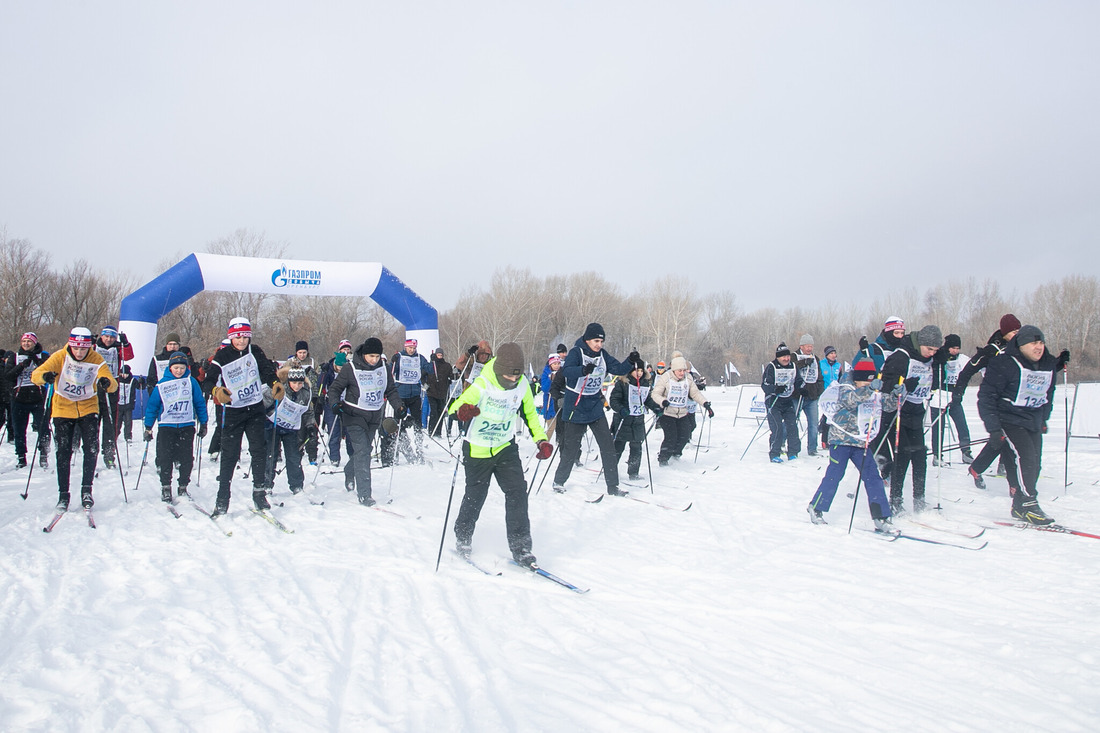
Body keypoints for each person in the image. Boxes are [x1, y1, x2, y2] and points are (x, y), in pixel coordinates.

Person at [448, 343, 552, 567]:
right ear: (498, 370)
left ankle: (522, 547)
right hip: (478, 449)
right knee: (476, 495)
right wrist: (463, 411)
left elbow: (530, 415)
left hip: (505, 447)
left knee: (517, 492)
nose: (512, 381)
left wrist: (541, 439)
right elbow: (454, 407)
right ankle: (463, 536)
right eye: (508, 376)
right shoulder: (483, 383)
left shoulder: (522, 384)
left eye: (516, 376)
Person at [978, 325, 1064, 525]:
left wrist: (1044, 418)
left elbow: (1048, 394)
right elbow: (986, 396)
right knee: (1026, 458)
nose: (1039, 347)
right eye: (1033, 343)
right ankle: (1029, 503)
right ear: (1021, 345)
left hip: (1032, 419)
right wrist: (993, 428)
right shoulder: (1004, 363)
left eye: (1041, 342)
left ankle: (1019, 506)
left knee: (1036, 462)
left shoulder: (1047, 364)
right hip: (1008, 418)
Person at [201, 318, 281, 515]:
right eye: (237, 337)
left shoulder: (255, 351)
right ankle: (222, 498)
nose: (241, 341)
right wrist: (215, 390)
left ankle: (259, 493)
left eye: (245, 337)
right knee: (229, 455)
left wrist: (275, 383)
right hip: (233, 411)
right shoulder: (223, 355)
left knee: (259, 450)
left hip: (254, 408)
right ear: (231, 337)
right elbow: (207, 380)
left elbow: (267, 371)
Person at [32, 327, 118, 510]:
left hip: (88, 408)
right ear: (71, 345)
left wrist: (107, 383)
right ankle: (63, 495)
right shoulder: (59, 356)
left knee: (91, 449)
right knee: (63, 452)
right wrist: (44, 377)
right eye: (76, 348)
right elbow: (35, 375)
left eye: (83, 349)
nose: (79, 352)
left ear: (89, 347)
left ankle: (87, 490)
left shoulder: (96, 358)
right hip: (63, 409)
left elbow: (112, 382)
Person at [807, 358, 897, 531]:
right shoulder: (845, 388)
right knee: (835, 475)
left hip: (860, 443)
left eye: (871, 380)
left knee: (873, 477)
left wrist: (897, 394)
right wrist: (869, 389)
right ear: (857, 378)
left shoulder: (872, 390)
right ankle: (816, 507)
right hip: (840, 440)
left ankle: (881, 516)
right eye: (865, 380)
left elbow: (889, 405)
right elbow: (851, 401)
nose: (868, 383)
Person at [551, 323, 637, 496]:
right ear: (587, 339)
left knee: (608, 446)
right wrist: (582, 370)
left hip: (594, 407)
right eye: (596, 341)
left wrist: (631, 361)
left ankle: (613, 486)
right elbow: (567, 371)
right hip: (576, 406)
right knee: (571, 449)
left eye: (601, 341)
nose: (599, 344)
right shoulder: (576, 352)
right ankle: (559, 481)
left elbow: (618, 369)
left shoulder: (602, 355)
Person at [327, 337, 402, 506]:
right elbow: (335, 388)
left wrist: (399, 407)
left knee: (364, 449)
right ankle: (365, 494)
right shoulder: (350, 368)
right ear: (364, 354)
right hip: (353, 415)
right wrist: (334, 403)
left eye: (377, 356)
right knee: (363, 452)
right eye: (371, 356)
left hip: (374, 415)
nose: (374, 360)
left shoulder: (384, 368)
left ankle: (349, 470)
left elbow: (390, 390)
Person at [880, 325, 941, 513]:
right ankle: (895, 500)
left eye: (935, 351)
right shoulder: (901, 356)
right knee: (903, 454)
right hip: (897, 412)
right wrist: (905, 384)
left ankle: (919, 499)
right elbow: (884, 384)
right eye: (929, 349)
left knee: (920, 455)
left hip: (916, 410)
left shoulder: (930, 358)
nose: (931, 354)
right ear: (920, 343)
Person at [957, 314, 1021, 489]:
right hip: (994, 402)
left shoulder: (1020, 348)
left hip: (1014, 402)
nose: (1017, 334)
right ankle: (1014, 486)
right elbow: (967, 371)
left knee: (1002, 440)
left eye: (1019, 331)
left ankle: (978, 468)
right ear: (1005, 332)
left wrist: (1058, 363)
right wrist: (958, 393)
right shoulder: (991, 350)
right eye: (1014, 331)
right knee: (1008, 441)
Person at [144, 352, 208, 503]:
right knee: (165, 458)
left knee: (186, 458)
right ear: (170, 368)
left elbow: (199, 403)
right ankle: (166, 486)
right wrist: (148, 427)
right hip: (167, 426)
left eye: (182, 368)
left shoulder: (191, 382)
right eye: (176, 368)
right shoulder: (161, 384)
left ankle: (183, 485)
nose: (179, 371)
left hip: (187, 425)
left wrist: (203, 423)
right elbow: (152, 406)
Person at [650, 354, 712, 467]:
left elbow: (695, 393)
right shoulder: (666, 377)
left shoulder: (688, 378)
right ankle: (663, 459)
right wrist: (662, 401)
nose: (682, 373)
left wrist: (705, 404)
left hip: (682, 413)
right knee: (671, 437)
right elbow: (655, 394)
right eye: (679, 370)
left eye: (684, 370)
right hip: (667, 413)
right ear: (674, 369)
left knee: (685, 434)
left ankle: (676, 455)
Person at [609, 354, 661, 480]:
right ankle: (610, 470)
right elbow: (614, 400)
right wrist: (621, 409)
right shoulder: (622, 383)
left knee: (636, 448)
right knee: (618, 447)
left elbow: (647, 399)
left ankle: (633, 472)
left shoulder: (644, 384)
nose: (639, 373)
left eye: (641, 370)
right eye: (636, 370)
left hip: (637, 421)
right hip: (623, 420)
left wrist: (656, 408)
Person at [265, 366, 314, 496]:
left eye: (300, 383)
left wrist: (310, 426)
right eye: (294, 383)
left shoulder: (306, 392)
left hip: (291, 428)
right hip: (272, 425)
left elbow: (308, 411)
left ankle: (297, 485)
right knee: (271, 455)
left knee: (293, 457)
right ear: (289, 381)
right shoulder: (280, 388)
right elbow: (264, 402)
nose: (297, 386)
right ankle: (266, 484)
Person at [5, 332, 51, 468]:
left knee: (43, 428)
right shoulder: (15, 356)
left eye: (29, 341)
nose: (26, 344)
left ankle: (43, 454)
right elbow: (8, 376)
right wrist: (21, 366)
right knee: (19, 429)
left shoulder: (42, 356)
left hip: (37, 399)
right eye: (24, 341)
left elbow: (49, 370)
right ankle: (21, 457)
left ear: (34, 343)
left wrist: (36, 361)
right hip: (19, 399)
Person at [384, 338, 431, 464]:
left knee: (418, 423)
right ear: (405, 347)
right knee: (397, 424)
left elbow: (430, 369)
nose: (412, 350)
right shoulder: (399, 357)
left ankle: (419, 450)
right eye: (410, 347)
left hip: (415, 395)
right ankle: (397, 451)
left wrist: (433, 362)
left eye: (414, 348)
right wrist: (391, 362)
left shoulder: (419, 358)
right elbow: (390, 371)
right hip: (401, 395)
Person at [929, 334, 972, 465]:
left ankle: (966, 452)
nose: (955, 351)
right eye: (953, 348)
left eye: (957, 348)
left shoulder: (962, 358)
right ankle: (937, 455)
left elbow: (973, 366)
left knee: (962, 425)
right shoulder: (939, 356)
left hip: (954, 397)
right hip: (938, 397)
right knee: (938, 428)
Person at [94, 326, 134, 469]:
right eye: (106, 337)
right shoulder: (95, 346)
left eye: (112, 337)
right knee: (93, 421)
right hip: (95, 388)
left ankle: (109, 452)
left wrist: (126, 343)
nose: (109, 340)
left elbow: (128, 357)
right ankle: (92, 449)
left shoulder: (118, 348)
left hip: (112, 386)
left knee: (111, 421)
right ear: (102, 336)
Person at [762, 343, 804, 463]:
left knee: (792, 427)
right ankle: (775, 453)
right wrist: (775, 389)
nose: (786, 359)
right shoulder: (771, 367)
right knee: (777, 428)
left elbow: (798, 381)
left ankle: (793, 452)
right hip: (773, 401)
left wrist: (801, 389)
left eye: (787, 356)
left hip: (787, 400)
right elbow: (765, 385)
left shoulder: (793, 366)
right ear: (778, 357)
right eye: (783, 357)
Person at [284, 340, 321, 465]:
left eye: (304, 352)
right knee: (298, 430)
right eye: (300, 352)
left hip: (311, 395)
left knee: (311, 425)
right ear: (296, 352)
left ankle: (312, 455)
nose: (302, 355)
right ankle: (297, 453)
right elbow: (283, 375)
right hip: (293, 398)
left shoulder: (312, 362)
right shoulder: (290, 362)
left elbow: (318, 375)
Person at [794, 334, 823, 456]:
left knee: (813, 423)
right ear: (801, 346)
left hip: (812, 397)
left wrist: (819, 391)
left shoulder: (815, 358)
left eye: (811, 346)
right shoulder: (793, 356)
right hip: (798, 396)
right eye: (807, 346)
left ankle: (812, 448)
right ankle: (786, 443)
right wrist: (804, 362)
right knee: (792, 421)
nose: (809, 349)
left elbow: (819, 376)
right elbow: (793, 368)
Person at [424, 347, 454, 438]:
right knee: (434, 412)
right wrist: (426, 386)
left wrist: (455, 374)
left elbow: (451, 376)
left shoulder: (447, 366)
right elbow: (423, 375)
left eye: (441, 355)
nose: (439, 357)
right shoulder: (431, 365)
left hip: (442, 393)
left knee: (440, 412)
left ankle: (438, 432)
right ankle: (431, 431)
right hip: (432, 392)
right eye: (438, 355)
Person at [115, 365, 136, 445]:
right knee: (118, 421)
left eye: (126, 374)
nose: (124, 376)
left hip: (128, 405)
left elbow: (140, 386)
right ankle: (115, 435)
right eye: (122, 374)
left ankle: (128, 436)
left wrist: (142, 382)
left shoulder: (132, 380)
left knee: (128, 422)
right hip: (119, 405)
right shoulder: (118, 379)